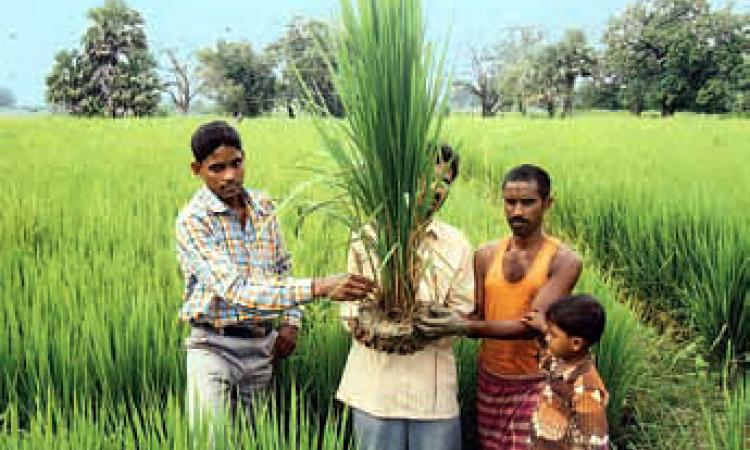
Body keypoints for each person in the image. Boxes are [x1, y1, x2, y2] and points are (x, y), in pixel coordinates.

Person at [175, 120, 375, 429]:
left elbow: (282, 266)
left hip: (262, 348)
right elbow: (236, 290)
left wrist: (291, 323)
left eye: (236, 163)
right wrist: (320, 287)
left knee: (258, 438)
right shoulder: (194, 221)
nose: (230, 175)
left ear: (244, 158)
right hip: (213, 348)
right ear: (196, 169)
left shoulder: (263, 207)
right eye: (217, 168)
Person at [418, 164, 583, 450]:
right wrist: (431, 311)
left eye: (528, 202)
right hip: (491, 380)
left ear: (548, 203)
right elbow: (477, 317)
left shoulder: (564, 260)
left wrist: (462, 325)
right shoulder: (485, 255)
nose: (517, 212)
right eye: (510, 202)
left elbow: (531, 324)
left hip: (537, 379)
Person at [337, 145, 474, 450]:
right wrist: (363, 325)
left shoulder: (457, 244)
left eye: (446, 182)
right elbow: (350, 304)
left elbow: (463, 312)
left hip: (433, 393)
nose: (437, 190)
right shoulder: (370, 236)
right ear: (408, 177)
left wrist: (429, 325)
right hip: (375, 390)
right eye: (427, 178)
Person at [525, 294, 609, 450]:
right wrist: (543, 328)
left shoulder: (587, 390)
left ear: (576, 343)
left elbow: (595, 443)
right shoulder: (560, 358)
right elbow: (544, 354)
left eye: (553, 335)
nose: (548, 338)